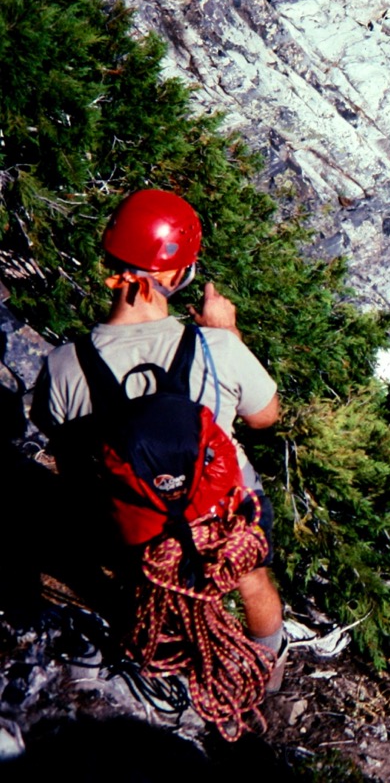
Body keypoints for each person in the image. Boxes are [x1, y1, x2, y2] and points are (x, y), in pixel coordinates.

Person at [31, 188, 287, 682]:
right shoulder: (216, 348)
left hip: (135, 527)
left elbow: (67, 458)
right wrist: (228, 333)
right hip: (225, 511)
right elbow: (265, 417)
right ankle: (265, 668)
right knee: (253, 578)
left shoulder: (64, 365)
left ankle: (157, 636)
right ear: (172, 275)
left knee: (138, 572)